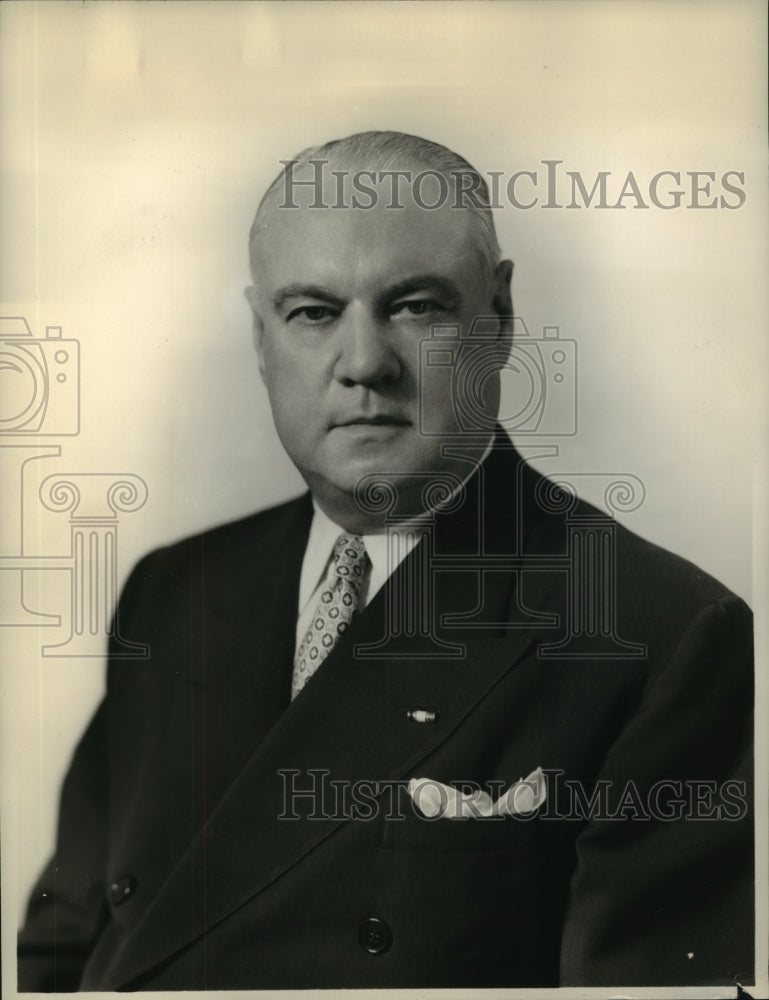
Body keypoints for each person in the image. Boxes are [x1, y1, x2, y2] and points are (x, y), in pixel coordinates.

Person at [17, 131, 754, 991]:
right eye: (313, 313)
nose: (364, 363)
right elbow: (63, 952)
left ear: (500, 315)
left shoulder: (659, 634)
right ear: (262, 338)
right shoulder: (174, 591)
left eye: (413, 305)